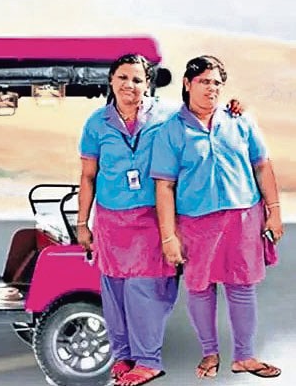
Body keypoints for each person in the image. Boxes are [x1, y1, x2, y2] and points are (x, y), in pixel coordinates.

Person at [151, 55, 283, 379]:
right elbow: (164, 186)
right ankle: (209, 354)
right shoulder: (171, 130)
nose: (211, 89)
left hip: (243, 217)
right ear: (187, 84)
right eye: (204, 82)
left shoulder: (240, 120)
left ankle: (245, 356)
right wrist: (169, 237)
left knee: (242, 287)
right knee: (200, 289)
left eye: (216, 83)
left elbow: (262, 165)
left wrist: (274, 212)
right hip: (196, 224)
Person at [78, 54, 181, 386]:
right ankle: (123, 356)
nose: (130, 85)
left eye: (137, 80)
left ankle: (148, 361)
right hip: (110, 221)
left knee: (145, 288)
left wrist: (234, 109)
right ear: (111, 81)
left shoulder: (168, 117)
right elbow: (88, 177)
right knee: (115, 289)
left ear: (147, 84)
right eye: (123, 78)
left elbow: (203, 123)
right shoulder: (96, 123)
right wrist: (83, 223)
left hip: (151, 219)